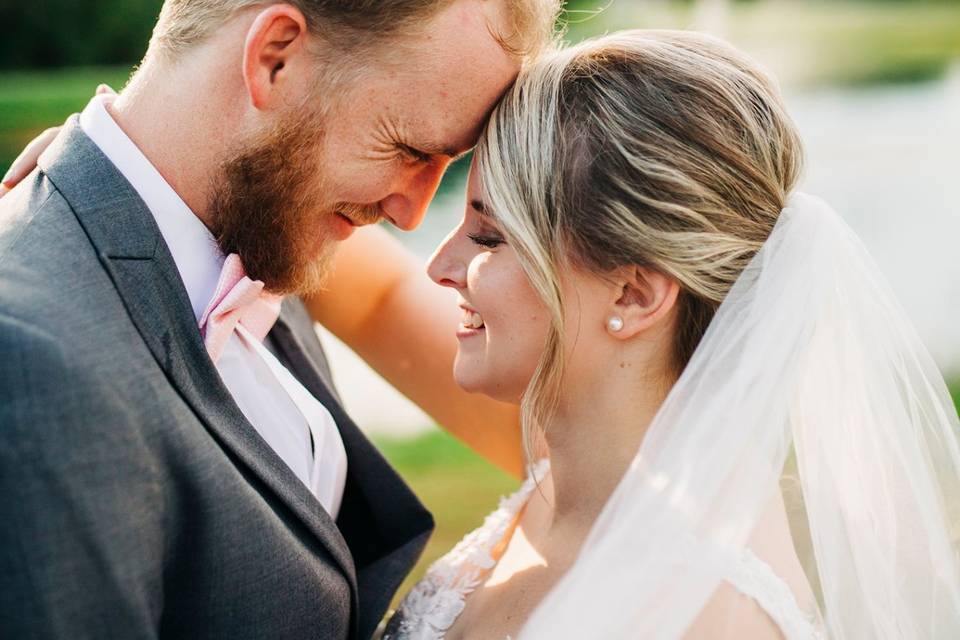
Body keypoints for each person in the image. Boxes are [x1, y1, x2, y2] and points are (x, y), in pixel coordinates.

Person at [0, 1, 559, 638]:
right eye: (408, 149)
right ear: (276, 57)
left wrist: (117, 172)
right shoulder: (31, 360)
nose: (413, 214)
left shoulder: (265, 218)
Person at [382, 30, 960, 639]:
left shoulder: (711, 616)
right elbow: (371, 296)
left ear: (633, 295)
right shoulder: (572, 470)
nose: (438, 266)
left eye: (490, 237)